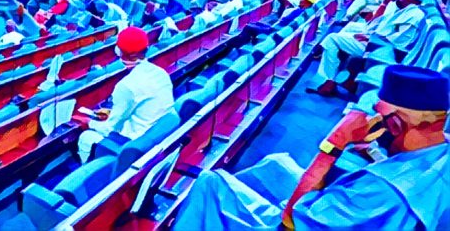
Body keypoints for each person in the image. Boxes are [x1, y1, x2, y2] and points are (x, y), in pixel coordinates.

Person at [173, 65, 449, 230]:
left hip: (299, 221)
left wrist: (334, 144)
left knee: (210, 183)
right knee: (276, 164)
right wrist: (378, 153)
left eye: (377, 113)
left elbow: (290, 222)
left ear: (396, 123)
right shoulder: (441, 149)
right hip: (345, 215)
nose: (370, 119)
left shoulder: (380, 190)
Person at [77, 27, 175, 163]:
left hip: (134, 145)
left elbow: (110, 129)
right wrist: (111, 113)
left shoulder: (126, 86)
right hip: (156, 132)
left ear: (123, 53)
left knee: (86, 137)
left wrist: (89, 123)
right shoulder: (161, 73)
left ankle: (90, 170)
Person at [310, 0, 426, 95]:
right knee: (344, 34)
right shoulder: (403, 8)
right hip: (376, 42)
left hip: (382, 50)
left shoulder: (415, 15)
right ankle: (340, 78)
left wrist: (370, 39)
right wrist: (383, 6)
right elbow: (378, 24)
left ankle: (329, 82)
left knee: (332, 39)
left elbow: (399, 42)